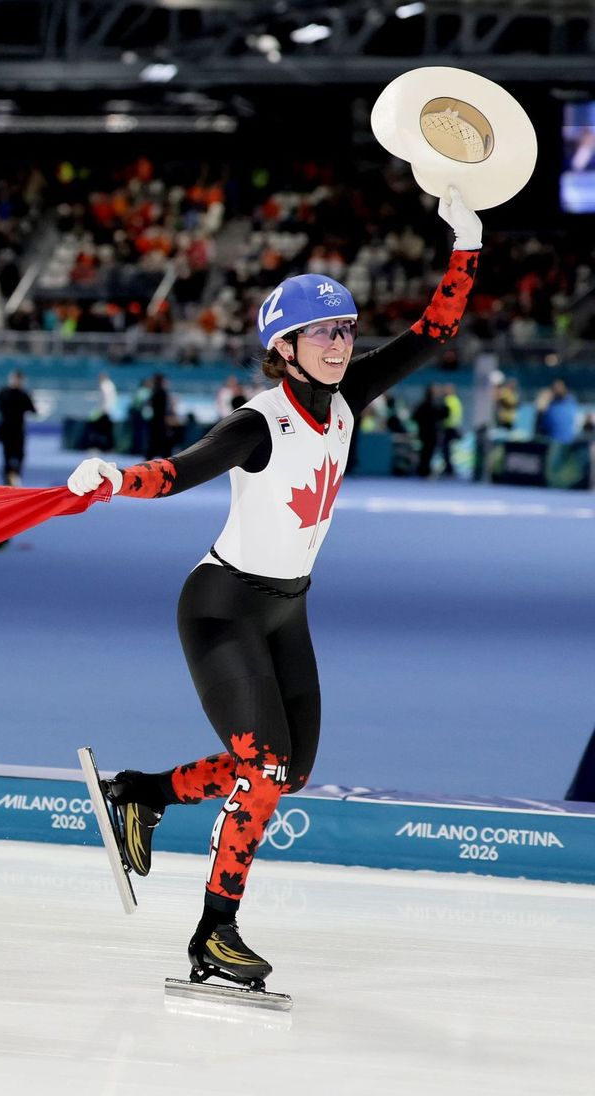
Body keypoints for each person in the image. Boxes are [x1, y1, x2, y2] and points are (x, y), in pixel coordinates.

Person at [67, 187, 482, 991]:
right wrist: (114, 478)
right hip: (222, 607)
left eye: (346, 328)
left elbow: (437, 331)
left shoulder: (350, 398)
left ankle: (143, 793)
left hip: (287, 608)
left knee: (285, 774)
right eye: (324, 331)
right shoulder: (260, 422)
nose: (341, 340)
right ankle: (214, 933)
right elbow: (179, 472)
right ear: (284, 346)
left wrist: (466, 243)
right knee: (260, 771)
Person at [0, 370, 37, 486]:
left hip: (14, 430)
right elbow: (33, 410)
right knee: (9, 456)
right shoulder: (16, 393)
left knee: (16, 455)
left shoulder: (18, 394)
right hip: (10, 430)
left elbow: (32, 410)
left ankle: (12, 478)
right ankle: (9, 480)